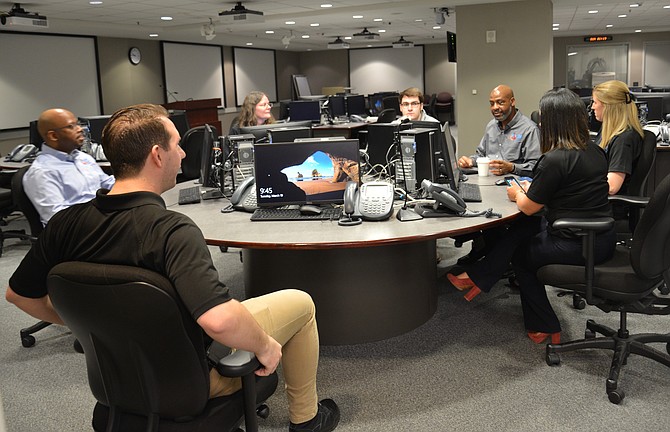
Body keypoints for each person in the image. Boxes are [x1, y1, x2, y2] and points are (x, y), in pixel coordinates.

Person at [6, 104, 340, 432]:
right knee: (301, 303)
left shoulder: (64, 224)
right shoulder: (171, 231)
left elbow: (18, 295)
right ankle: (307, 420)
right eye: (177, 145)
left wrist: (95, 323)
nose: (182, 154)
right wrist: (266, 347)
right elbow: (219, 321)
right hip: (192, 384)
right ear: (156, 155)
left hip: (115, 384)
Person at [447, 88, 616, 345]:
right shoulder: (595, 151)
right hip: (601, 236)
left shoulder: (555, 159)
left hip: (576, 244)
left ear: (553, 122)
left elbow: (528, 206)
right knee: (525, 227)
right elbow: (567, 192)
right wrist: (532, 192)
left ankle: (545, 325)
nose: (539, 122)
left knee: (522, 255)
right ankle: (479, 276)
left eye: (544, 118)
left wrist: (517, 193)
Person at [23, 108, 115, 226]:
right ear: (53, 136)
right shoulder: (42, 172)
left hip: (100, 220)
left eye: (78, 124)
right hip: (75, 233)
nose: (80, 129)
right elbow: (57, 218)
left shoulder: (83, 158)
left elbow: (106, 182)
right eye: (71, 126)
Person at [457, 84, 541, 177]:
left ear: (512, 102)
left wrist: (512, 167)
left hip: (513, 182)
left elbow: (536, 166)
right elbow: (481, 155)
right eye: (492, 104)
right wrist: (470, 161)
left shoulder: (529, 129)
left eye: (500, 102)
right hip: (489, 178)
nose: (495, 108)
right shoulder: (491, 126)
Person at [590, 80, 645, 196]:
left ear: (608, 106)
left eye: (595, 102)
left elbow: (612, 187)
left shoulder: (623, 140)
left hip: (608, 207)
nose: (592, 107)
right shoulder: (609, 131)